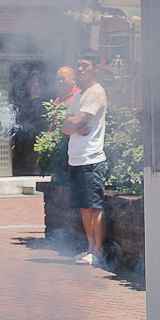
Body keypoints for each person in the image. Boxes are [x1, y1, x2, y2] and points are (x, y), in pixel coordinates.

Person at [61, 51, 108, 265]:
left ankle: (98, 252)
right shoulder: (79, 94)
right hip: (76, 158)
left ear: (95, 68)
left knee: (93, 207)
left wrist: (73, 124)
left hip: (91, 158)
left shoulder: (96, 92)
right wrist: (73, 125)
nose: (80, 69)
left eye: (85, 65)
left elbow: (77, 120)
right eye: (78, 65)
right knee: (83, 207)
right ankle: (90, 248)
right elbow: (65, 127)